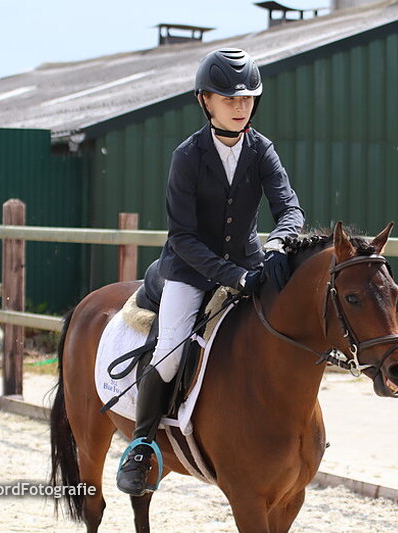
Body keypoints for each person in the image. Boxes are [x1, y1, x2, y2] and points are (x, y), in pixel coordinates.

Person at [116, 48, 305, 496]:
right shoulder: (187, 156)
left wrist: (278, 243)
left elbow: (290, 208)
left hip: (250, 262)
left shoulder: (262, 150)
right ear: (206, 101)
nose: (240, 108)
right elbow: (182, 235)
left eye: (247, 100)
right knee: (169, 351)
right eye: (229, 99)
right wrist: (231, 275)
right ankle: (142, 445)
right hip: (188, 269)